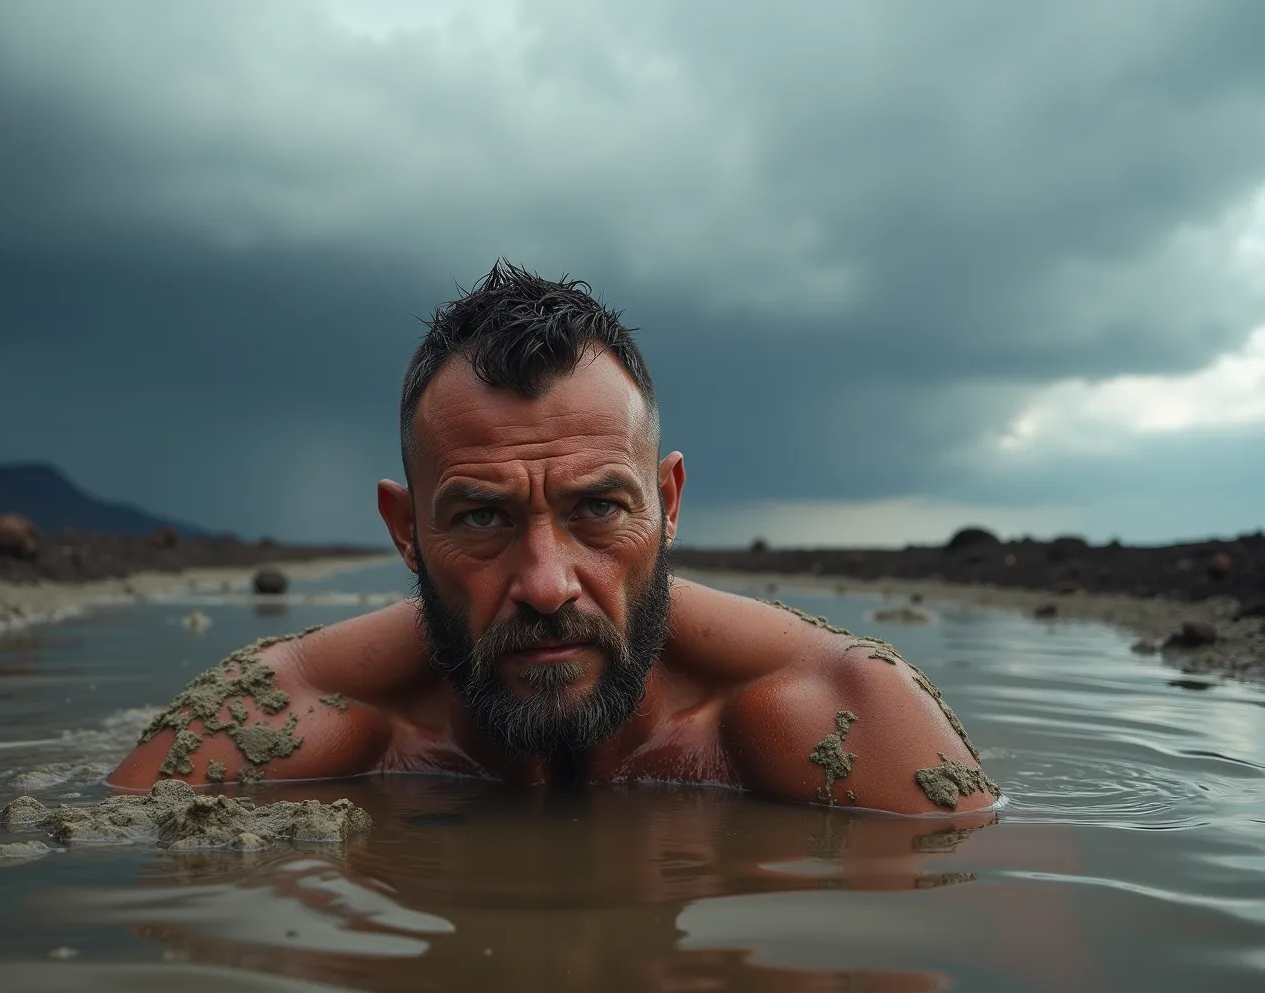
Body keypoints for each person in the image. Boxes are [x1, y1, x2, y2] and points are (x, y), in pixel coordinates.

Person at [108, 260, 998, 814]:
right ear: (405, 529)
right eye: (483, 517)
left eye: (599, 510)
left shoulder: (840, 714)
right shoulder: (284, 721)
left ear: (669, 502)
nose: (546, 584)